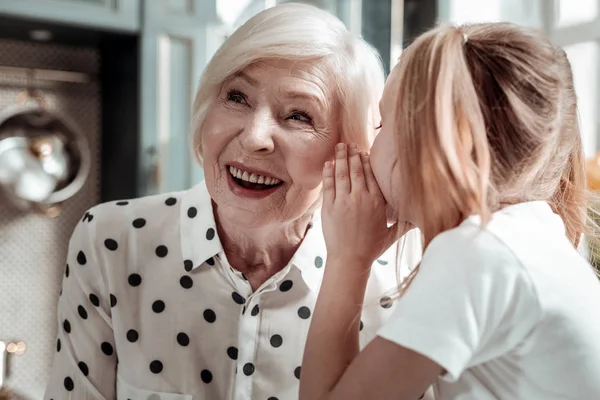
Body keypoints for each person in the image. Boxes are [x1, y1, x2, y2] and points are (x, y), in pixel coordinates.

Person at [43, 3, 422, 400]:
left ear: (351, 153)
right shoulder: (112, 241)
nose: (255, 137)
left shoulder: (395, 278)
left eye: (299, 116)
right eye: (237, 97)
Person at [300, 22, 600, 400]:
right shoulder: (530, 235)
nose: (367, 147)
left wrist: (348, 257)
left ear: (432, 143)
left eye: (382, 124)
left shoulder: (480, 252)